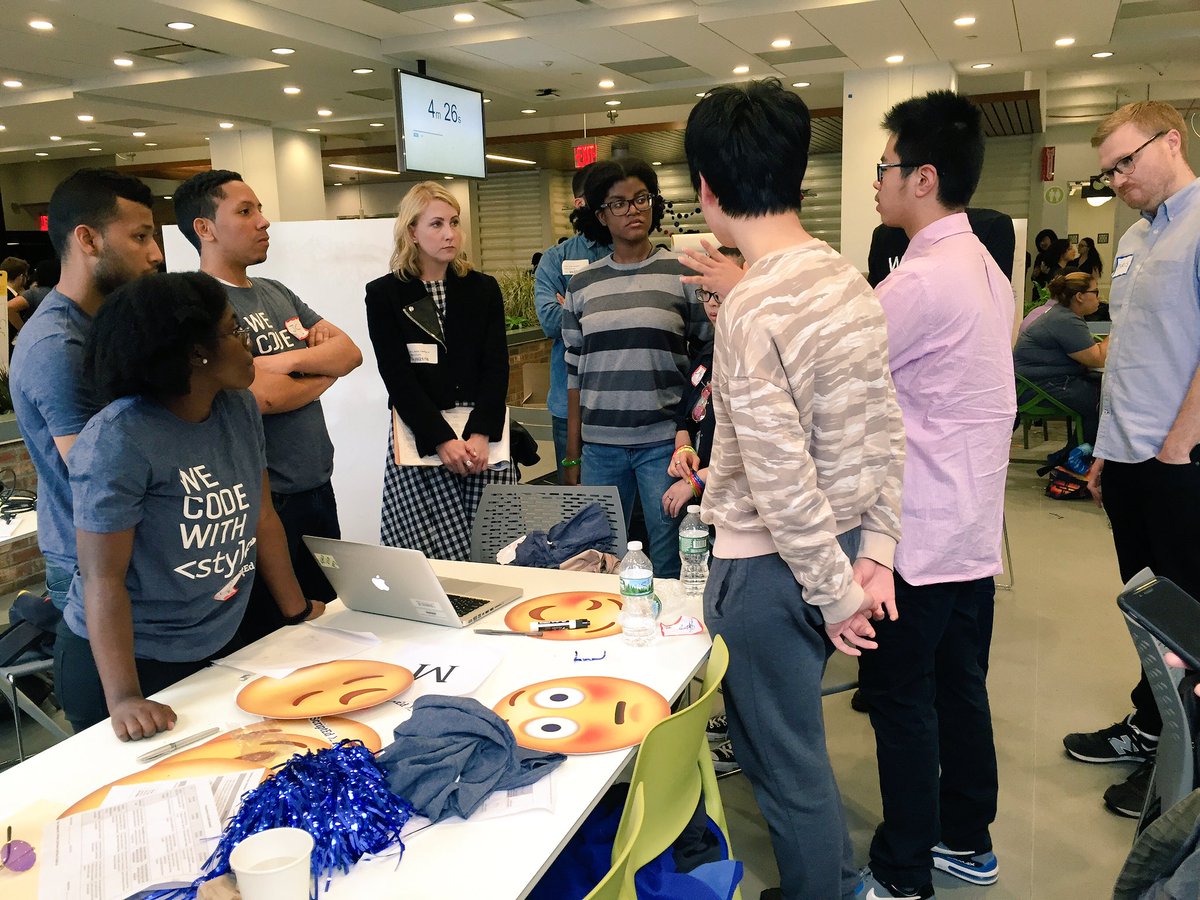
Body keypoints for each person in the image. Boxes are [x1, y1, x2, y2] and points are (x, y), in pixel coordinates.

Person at [685, 78, 904, 900]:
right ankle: (838, 880)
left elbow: (780, 480)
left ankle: (831, 890)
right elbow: (886, 427)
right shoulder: (850, 279)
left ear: (707, 188)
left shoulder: (750, 305)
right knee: (798, 752)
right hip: (836, 547)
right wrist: (875, 552)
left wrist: (836, 593)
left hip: (772, 568)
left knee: (783, 764)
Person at [857, 90, 1015, 900]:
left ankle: (902, 870)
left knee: (897, 697)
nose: (875, 180)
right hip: (970, 527)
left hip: (915, 533)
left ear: (923, 177)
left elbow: (838, 372)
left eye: (884, 165)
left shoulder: (920, 280)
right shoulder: (985, 267)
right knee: (957, 687)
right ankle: (967, 838)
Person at [57, 272, 323, 739]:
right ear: (196, 352)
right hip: (129, 662)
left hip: (215, 637)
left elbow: (262, 517)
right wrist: (124, 698)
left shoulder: (238, 407)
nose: (248, 342)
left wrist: (296, 613)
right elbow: (103, 578)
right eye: (234, 331)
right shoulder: (117, 441)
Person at [1065, 100, 1200, 819]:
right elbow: (1128, 353)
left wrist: (1179, 444)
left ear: (1171, 140)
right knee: (1150, 611)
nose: (1117, 179)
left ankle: (1186, 772)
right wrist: (1106, 452)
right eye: (1108, 171)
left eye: (1127, 161)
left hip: (1179, 461)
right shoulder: (1137, 237)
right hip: (1129, 456)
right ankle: (1153, 726)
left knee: (1187, 616)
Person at [173, 170, 362, 643]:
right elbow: (258, 396)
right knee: (278, 637)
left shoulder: (275, 291)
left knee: (332, 621)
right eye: (245, 211)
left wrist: (285, 362)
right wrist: (320, 373)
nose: (263, 221)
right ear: (204, 228)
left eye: (258, 209)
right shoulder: (199, 302)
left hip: (316, 487)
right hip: (264, 504)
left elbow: (349, 354)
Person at [10, 168, 163, 612]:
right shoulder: (58, 345)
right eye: (140, 237)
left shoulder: (110, 324)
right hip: (97, 566)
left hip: (136, 552)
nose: (155, 253)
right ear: (88, 239)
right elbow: (98, 471)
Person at [561, 159, 712, 578]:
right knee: (598, 555)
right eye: (619, 203)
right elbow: (573, 372)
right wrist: (571, 456)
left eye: (641, 199)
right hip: (600, 446)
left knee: (668, 557)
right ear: (600, 215)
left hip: (663, 445)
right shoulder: (582, 285)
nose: (633, 210)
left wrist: (693, 433)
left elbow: (708, 358)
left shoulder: (682, 273)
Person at [365, 182, 514, 560]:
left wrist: (480, 433)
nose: (450, 234)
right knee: (424, 557)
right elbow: (398, 378)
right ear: (412, 232)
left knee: (495, 551)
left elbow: (496, 366)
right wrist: (443, 440)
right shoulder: (384, 295)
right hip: (422, 436)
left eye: (454, 222)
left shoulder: (482, 288)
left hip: (482, 440)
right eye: (436, 224)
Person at [532, 163, 611, 483]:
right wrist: (611, 310)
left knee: (628, 505)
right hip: (569, 404)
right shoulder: (556, 258)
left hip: (624, 404)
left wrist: (573, 306)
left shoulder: (632, 251)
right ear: (581, 203)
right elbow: (551, 322)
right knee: (575, 496)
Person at [1014, 271, 1107, 445]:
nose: (1099, 298)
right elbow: (1098, 359)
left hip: (1042, 382)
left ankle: (1072, 454)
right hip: (1037, 388)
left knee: (1103, 391)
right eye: (1096, 292)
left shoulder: (1063, 315)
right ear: (1079, 296)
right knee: (1105, 400)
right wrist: (1117, 329)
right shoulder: (1065, 319)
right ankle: (1080, 456)